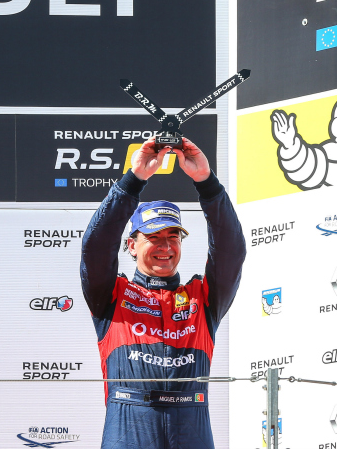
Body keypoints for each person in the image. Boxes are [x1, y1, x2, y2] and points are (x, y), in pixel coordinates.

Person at [81, 136, 246, 449]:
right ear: (132, 245)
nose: (166, 246)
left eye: (173, 237)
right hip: (129, 424)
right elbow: (96, 248)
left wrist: (207, 184)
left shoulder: (202, 297)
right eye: (154, 237)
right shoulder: (112, 294)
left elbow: (231, 252)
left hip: (191, 426)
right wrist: (133, 180)